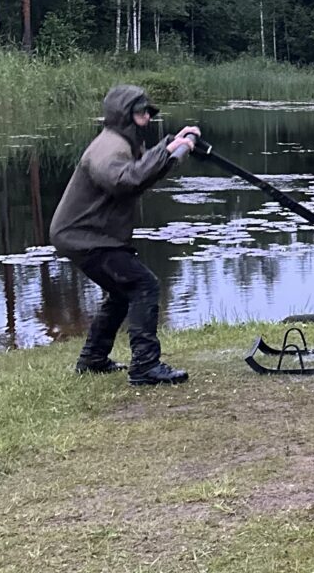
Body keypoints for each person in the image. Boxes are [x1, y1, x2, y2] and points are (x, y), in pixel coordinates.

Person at [50, 84, 202, 385]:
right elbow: (125, 180)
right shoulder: (109, 148)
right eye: (141, 112)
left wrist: (176, 146)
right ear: (124, 114)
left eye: (148, 112)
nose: (147, 118)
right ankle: (145, 366)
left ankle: (93, 359)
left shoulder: (123, 143)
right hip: (84, 237)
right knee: (144, 285)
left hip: (90, 235)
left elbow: (144, 174)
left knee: (122, 293)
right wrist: (165, 150)